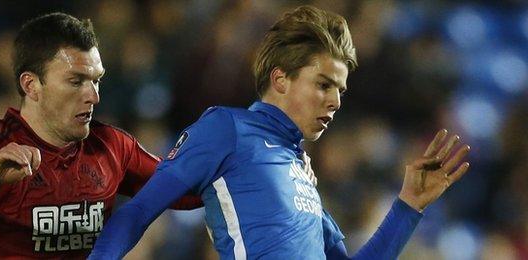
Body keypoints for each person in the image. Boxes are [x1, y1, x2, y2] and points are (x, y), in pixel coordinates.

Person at [88, 6, 471, 259]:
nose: (336, 102)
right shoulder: (227, 129)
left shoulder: (303, 174)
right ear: (281, 79)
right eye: (323, 85)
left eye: (340, 90)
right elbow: (138, 211)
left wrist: (409, 205)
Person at [0, 12, 201, 259]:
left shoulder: (112, 146)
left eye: (96, 80)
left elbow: (186, 192)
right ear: (31, 85)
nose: (94, 96)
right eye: (76, 81)